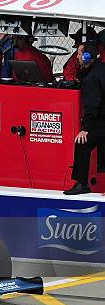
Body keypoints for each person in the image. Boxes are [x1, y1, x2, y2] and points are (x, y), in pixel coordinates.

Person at [64, 43, 105, 195]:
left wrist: (85, 129)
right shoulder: (100, 69)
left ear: (88, 56)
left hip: (101, 122)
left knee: (82, 143)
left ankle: (81, 183)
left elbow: (92, 105)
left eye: (80, 54)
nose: (78, 57)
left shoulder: (92, 78)